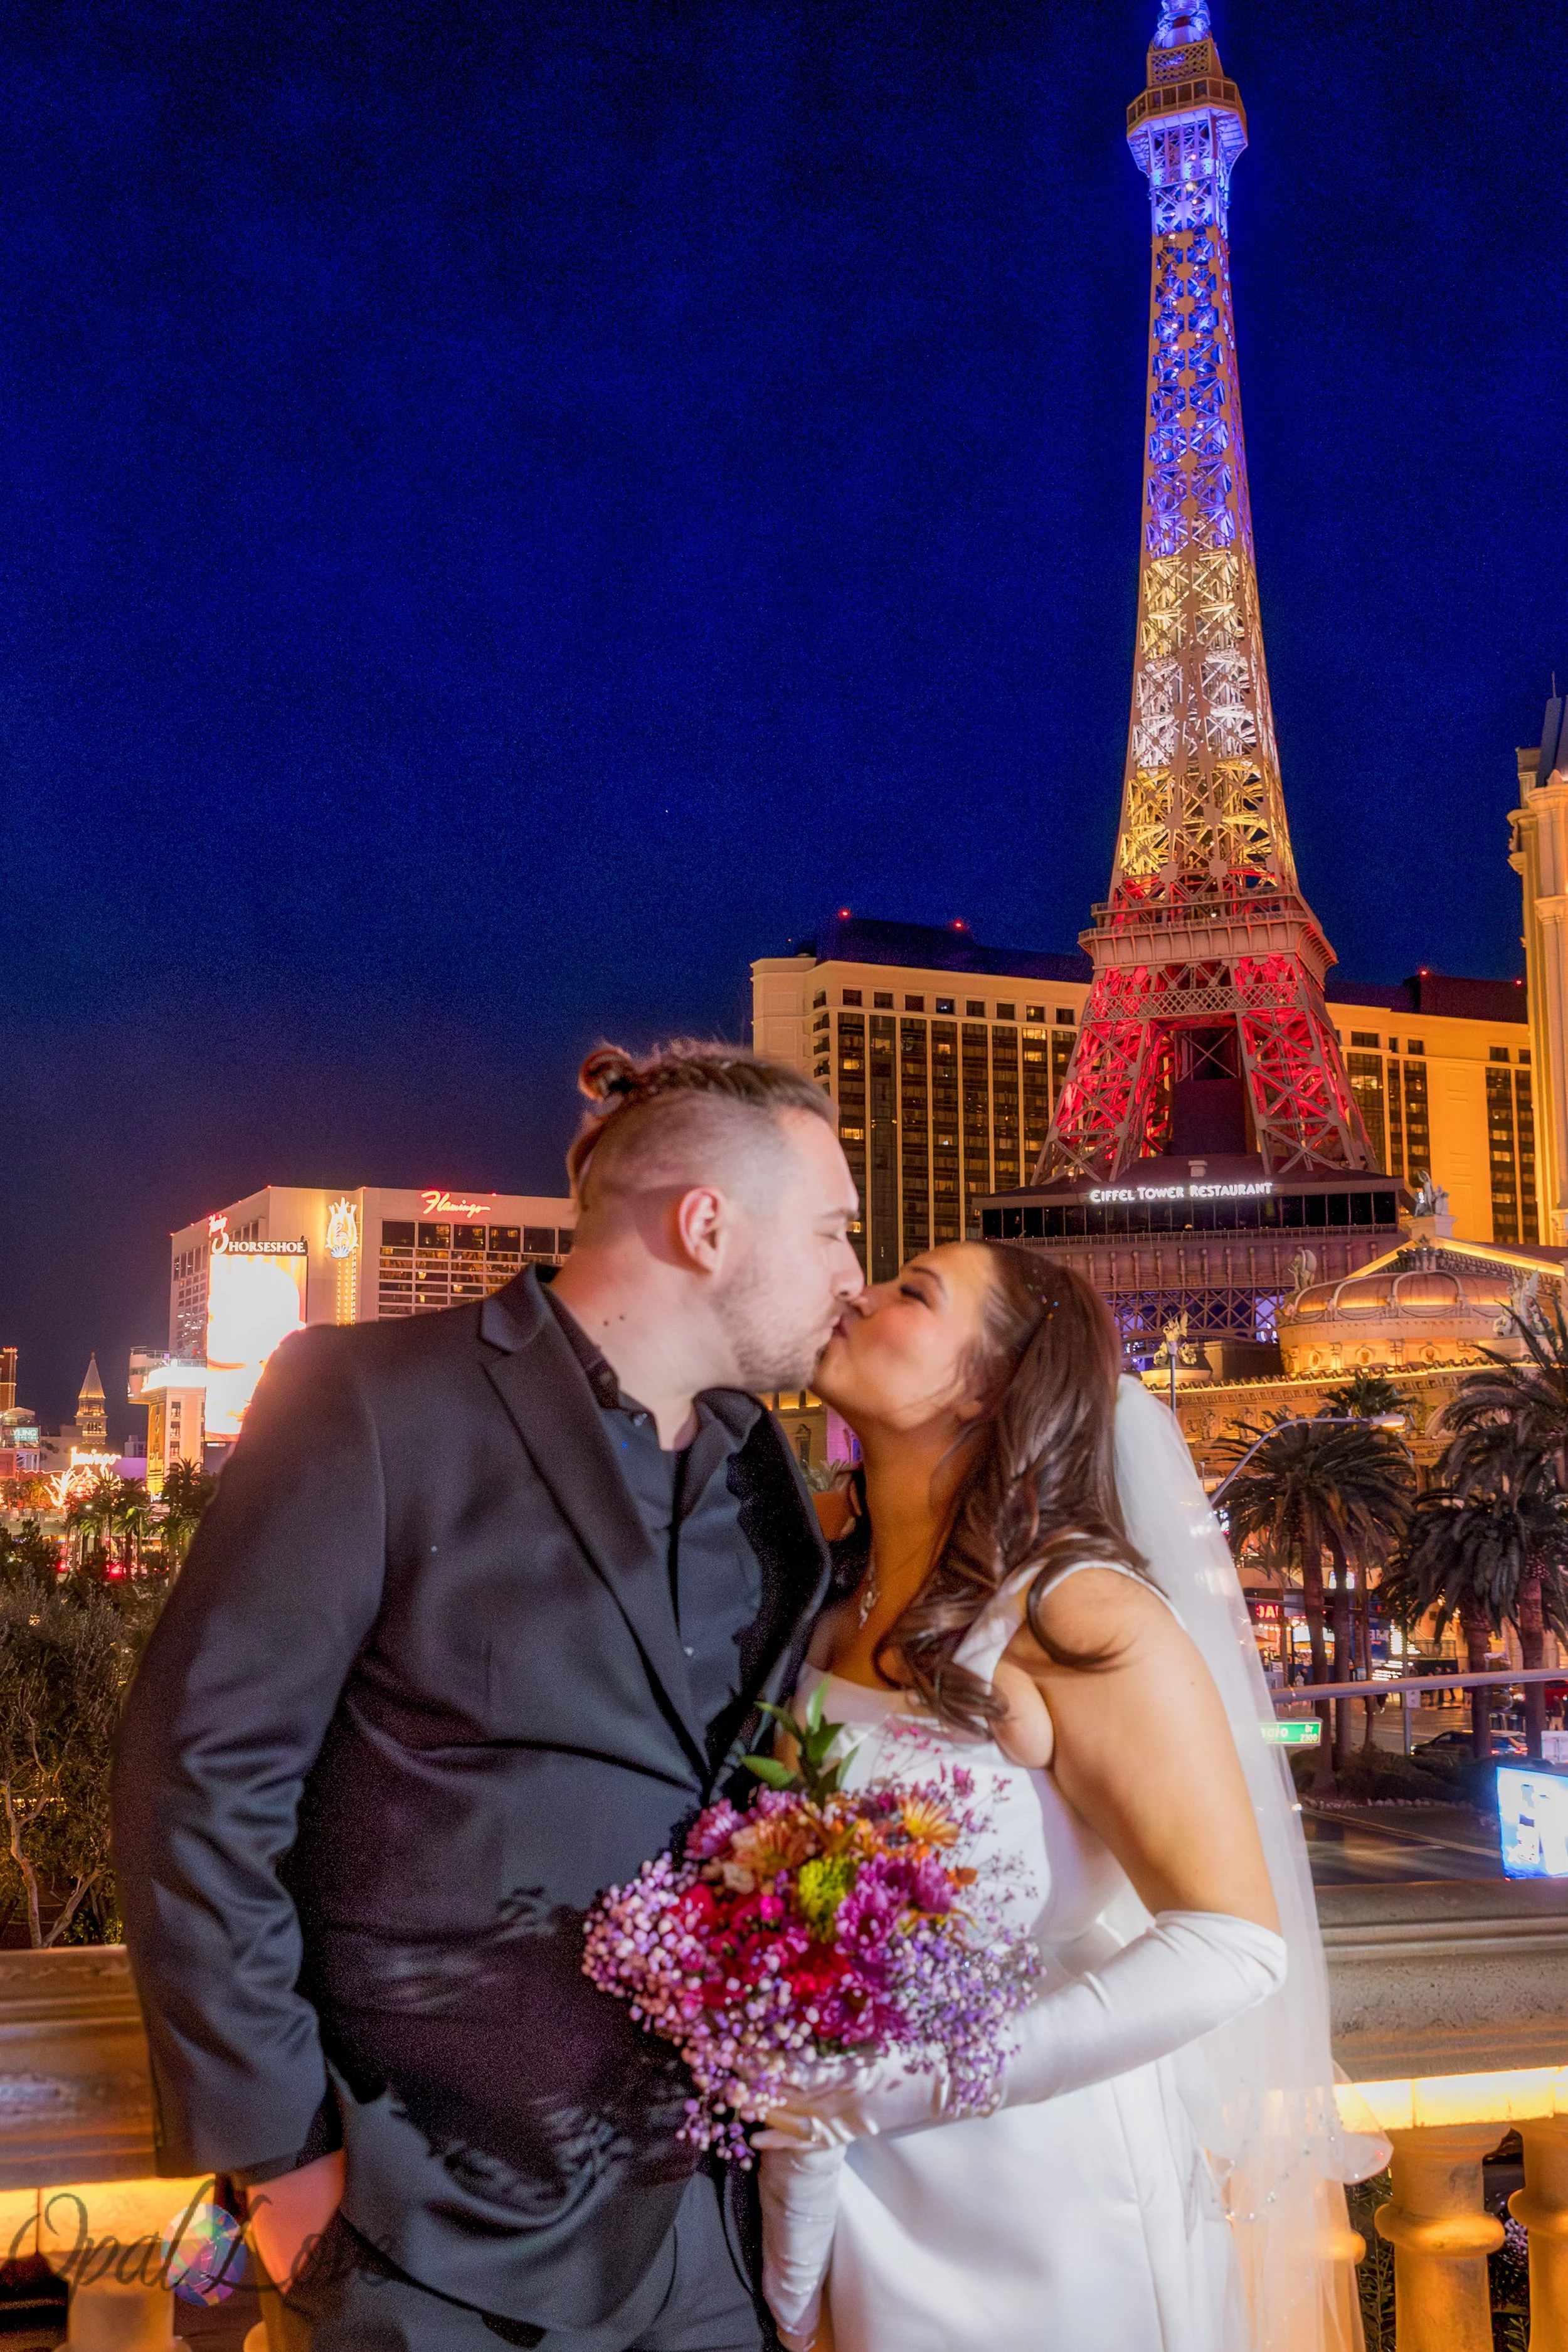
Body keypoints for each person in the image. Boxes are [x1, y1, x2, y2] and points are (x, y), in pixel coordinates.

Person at [111, 1041, 864, 2352]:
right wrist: (281, 2156)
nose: (853, 1277)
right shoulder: (369, 1400)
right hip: (426, 2230)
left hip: (711, 2238)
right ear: (705, 1226)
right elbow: (200, 1781)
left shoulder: (769, 1478)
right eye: (833, 1233)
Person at [754, 1244, 1382, 2352]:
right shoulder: (828, 1593)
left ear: (988, 1382)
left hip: (1035, 2195)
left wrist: (904, 2081)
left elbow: (1237, 1941)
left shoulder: (1077, 1610)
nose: (858, 1291)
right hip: (864, 2182)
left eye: (913, 1293)